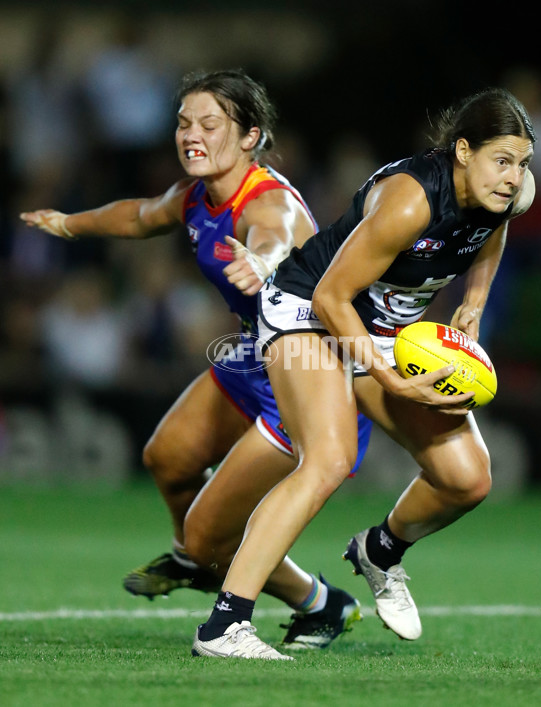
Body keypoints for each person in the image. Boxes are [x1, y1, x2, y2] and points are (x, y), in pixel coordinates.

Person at [20, 69, 372, 651]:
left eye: (210, 123)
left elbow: (278, 237)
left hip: (309, 375)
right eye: (184, 122)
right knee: (168, 457)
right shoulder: (195, 197)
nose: (192, 134)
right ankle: (199, 558)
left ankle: (319, 602)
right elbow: (138, 216)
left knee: (209, 537)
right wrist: (68, 224)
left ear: (250, 136)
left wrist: (261, 264)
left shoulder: (268, 203)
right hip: (254, 355)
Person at [191, 87, 536, 660]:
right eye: (502, 161)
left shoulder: (505, 191)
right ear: (463, 151)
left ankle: (380, 551)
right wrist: (389, 376)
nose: (513, 176)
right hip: (310, 311)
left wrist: (473, 301)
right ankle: (224, 626)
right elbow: (331, 297)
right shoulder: (409, 201)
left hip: (376, 329)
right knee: (327, 460)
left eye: (522, 163)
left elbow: (490, 235)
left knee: (467, 478)